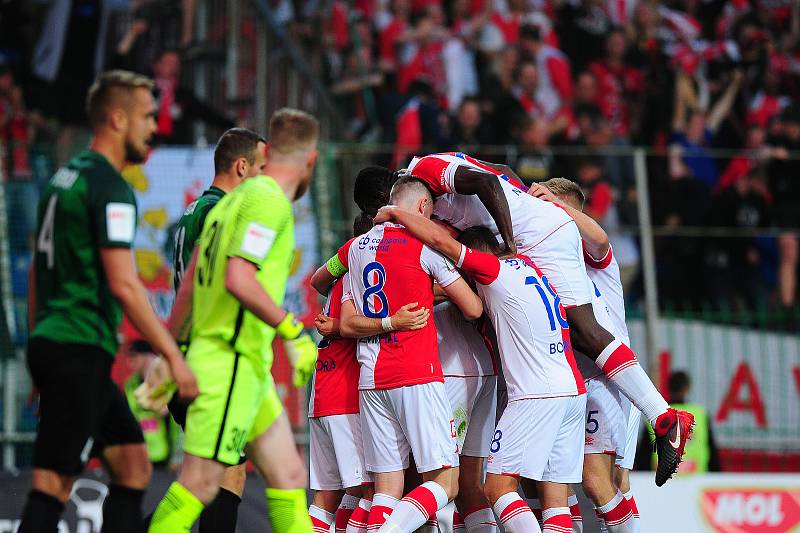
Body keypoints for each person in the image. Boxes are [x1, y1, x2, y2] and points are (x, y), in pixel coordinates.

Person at [406, 151, 693, 487]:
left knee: (585, 332)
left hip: (537, 238)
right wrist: (523, 195)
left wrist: (510, 243)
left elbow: (486, 182)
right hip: (543, 233)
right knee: (578, 332)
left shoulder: (426, 170)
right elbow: (498, 171)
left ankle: (663, 416)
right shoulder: (439, 178)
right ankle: (662, 416)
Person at [20, 69, 197, 533]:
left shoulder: (62, 179)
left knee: (134, 465)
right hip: (78, 346)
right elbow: (125, 285)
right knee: (53, 483)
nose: (154, 127)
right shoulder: (110, 187)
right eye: (147, 116)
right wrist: (174, 356)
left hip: (61, 344)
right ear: (117, 119)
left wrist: (37, 345)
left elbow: (40, 273)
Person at [147, 108, 321, 533]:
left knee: (290, 477)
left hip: (248, 368)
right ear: (310, 160)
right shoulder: (266, 202)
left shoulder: (230, 203)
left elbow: (187, 287)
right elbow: (239, 277)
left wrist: (169, 352)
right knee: (202, 483)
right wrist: (292, 330)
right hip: (229, 363)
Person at [372, 207, 586, 533]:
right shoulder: (533, 268)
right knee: (502, 489)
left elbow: (460, 284)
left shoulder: (488, 272)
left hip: (474, 377)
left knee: (457, 482)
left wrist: (395, 213)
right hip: (561, 385)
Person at [339, 176, 484, 533]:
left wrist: (389, 319)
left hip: (371, 378)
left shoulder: (354, 249)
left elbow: (345, 323)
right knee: (446, 481)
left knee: (387, 489)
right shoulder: (423, 246)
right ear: (422, 208)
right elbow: (473, 309)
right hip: (416, 374)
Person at [168, 127, 267, 532]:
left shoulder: (194, 211)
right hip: (208, 362)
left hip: (192, 357)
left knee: (207, 481)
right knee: (228, 475)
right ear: (242, 167)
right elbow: (225, 284)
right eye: (261, 168)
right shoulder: (221, 213)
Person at [307, 213, 431, 533]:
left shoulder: (342, 273)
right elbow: (349, 325)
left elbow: (319, 279)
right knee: (372, 490)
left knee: (331, 496)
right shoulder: (360, 279)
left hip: (324, 394)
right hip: (345, 397)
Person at [533, 177, 641, 532]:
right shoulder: (545, 257)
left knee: (600, 481)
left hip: (605, 379)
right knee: (557, 483)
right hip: (567, 381)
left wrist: (558, 207)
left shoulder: (591, 256)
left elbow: (601, 238)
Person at [124, 340, 179, 468]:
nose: (130, 361)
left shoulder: (167, 379)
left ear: (148, 356)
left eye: (134, 355)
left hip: (164, 455)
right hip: (138, 454)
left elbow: (164, 410)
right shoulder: (130, 384)